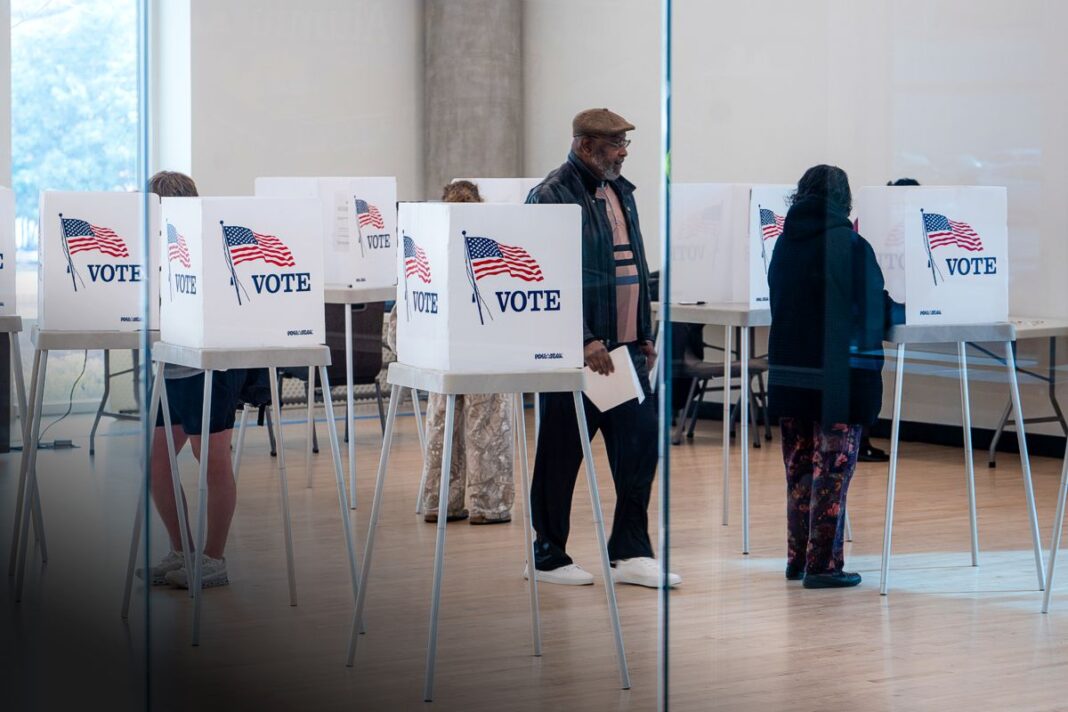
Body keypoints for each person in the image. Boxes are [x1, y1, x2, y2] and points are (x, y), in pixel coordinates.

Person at [524, 108, 680, 588]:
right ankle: (548, 554)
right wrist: (583, 337)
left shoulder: (620, 192)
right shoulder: (551, 195)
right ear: (586, 145)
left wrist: (646, 332)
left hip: (625, 350)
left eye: (625, 143)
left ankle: (630, 550)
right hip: (582, 354)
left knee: (639, 448)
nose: (624, 152)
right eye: (616, 143)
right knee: (561, 453)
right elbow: (546, 275)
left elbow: (637, 264)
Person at [767, 164, 904, 589]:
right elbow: (872, 308)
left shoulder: (784, 244)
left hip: (792, 375)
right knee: (832, 473)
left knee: (800, 473)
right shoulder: (849, 244)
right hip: (839, 382)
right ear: (844, 200)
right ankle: (824, 566)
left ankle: (798, 559)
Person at [137, 170, 246, 588]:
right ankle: (181, 551)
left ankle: (213, 559)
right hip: (171, 364)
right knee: (157, 462)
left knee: (211, 462)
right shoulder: (159, 248)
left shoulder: (205, 246)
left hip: (208, 368)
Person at [416, 180, 515, 525]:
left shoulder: (429, 244)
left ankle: (440, 501)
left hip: (440, 355)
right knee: (486, 431)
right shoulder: (488, 246)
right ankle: (487, 506)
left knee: (443, 430)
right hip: (484, 349)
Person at [855, 176, 921, 463]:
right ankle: (860, 441)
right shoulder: (868, 226)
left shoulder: (867, 222)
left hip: (868, 310)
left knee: (865, 376)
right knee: (864, 376)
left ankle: (860, 441)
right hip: (868, 311)